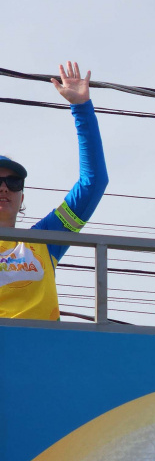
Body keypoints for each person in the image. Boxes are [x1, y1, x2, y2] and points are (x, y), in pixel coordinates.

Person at [0, 61, 108, 320]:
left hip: (42, 344)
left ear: (22, 198)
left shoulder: (43, 241)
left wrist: (81, 108)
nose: (4, 188)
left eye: (13, 183)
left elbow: (93, 184)